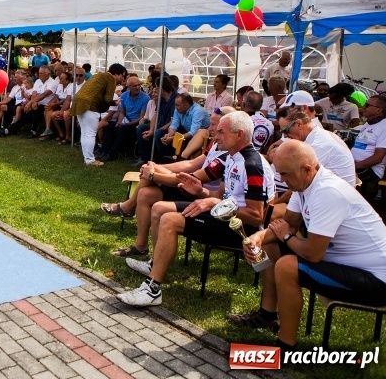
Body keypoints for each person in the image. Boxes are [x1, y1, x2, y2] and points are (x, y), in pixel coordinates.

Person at [227, 141, 386, 352]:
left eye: (285, 175)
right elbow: (288, 223)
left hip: (380, 283)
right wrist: (259, 238)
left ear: (306, 169)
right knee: (270, 244)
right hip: (354, 269)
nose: (283, 181)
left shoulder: (328, 192)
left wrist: (286, 237)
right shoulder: (305, 183)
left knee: (287, 266)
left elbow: (313, 254)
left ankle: (285, 347)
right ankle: (267, 314)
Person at [117, 111, 275, 306]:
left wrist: (213, 202)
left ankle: (152, 289)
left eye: (221, 132)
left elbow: (256, 217)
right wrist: (201, 193)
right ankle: (154, 265)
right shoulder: (231, 157)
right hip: (222, 216)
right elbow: (219, 196)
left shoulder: (253, 166)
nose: (215, 137)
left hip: (240, 230)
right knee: (159, 208)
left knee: (169, 219)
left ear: (239, 134)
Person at [101, 109, 232, 256]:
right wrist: (157, 167)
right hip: (190, 187)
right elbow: (191, 164)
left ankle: (129, 207)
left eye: (214, 125)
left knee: (151, 184)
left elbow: (189, 179)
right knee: (144, 193)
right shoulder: (216, 143)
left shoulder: (227, 155)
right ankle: (141, 245)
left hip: (199, 195)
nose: (209, 128)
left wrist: (153, 174)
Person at [69, 64, 128, 166]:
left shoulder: (99, 75)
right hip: (90, 105)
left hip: (78, 102)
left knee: (85, 132)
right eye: (122, 76)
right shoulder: (110, 78)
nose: (122, 79)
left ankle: (87, 158)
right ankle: (90, 160)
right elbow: (108, 99)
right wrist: (115, 103)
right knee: (91, 133)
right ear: (117, 73)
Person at [98, 76, 149, 162]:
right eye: (134, 86)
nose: (137, 87)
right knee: (111, 126)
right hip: (126, 120)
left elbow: (142, 117)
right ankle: (104, 151)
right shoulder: (124, 95)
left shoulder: (145, 98)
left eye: (138, 85)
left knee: (124, 129)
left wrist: (126, 124)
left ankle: (112, 153)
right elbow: (122, 112)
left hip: (137, 123)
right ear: (128, 87)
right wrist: (119, 122)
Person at [352, 95, 386, 188]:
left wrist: (352, 167)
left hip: (371, 170)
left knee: (338, 177)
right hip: (356, 164)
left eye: (367, 105)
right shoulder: (368, 123)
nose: (363, 107)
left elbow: (377, 158)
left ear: (378, 110)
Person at [159, 93, 210, 160]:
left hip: (200, 136)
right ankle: (165, 159)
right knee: (160, 134)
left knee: (178, 140)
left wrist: (173, 138)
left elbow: (193, 132)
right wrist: (169, 135)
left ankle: (177, 159)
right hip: (187, 131)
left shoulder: (197, 111)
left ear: (185, 105)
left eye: (177, 105)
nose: (175, 107)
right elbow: (174, 124)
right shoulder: (178, 109)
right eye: (175, 104)